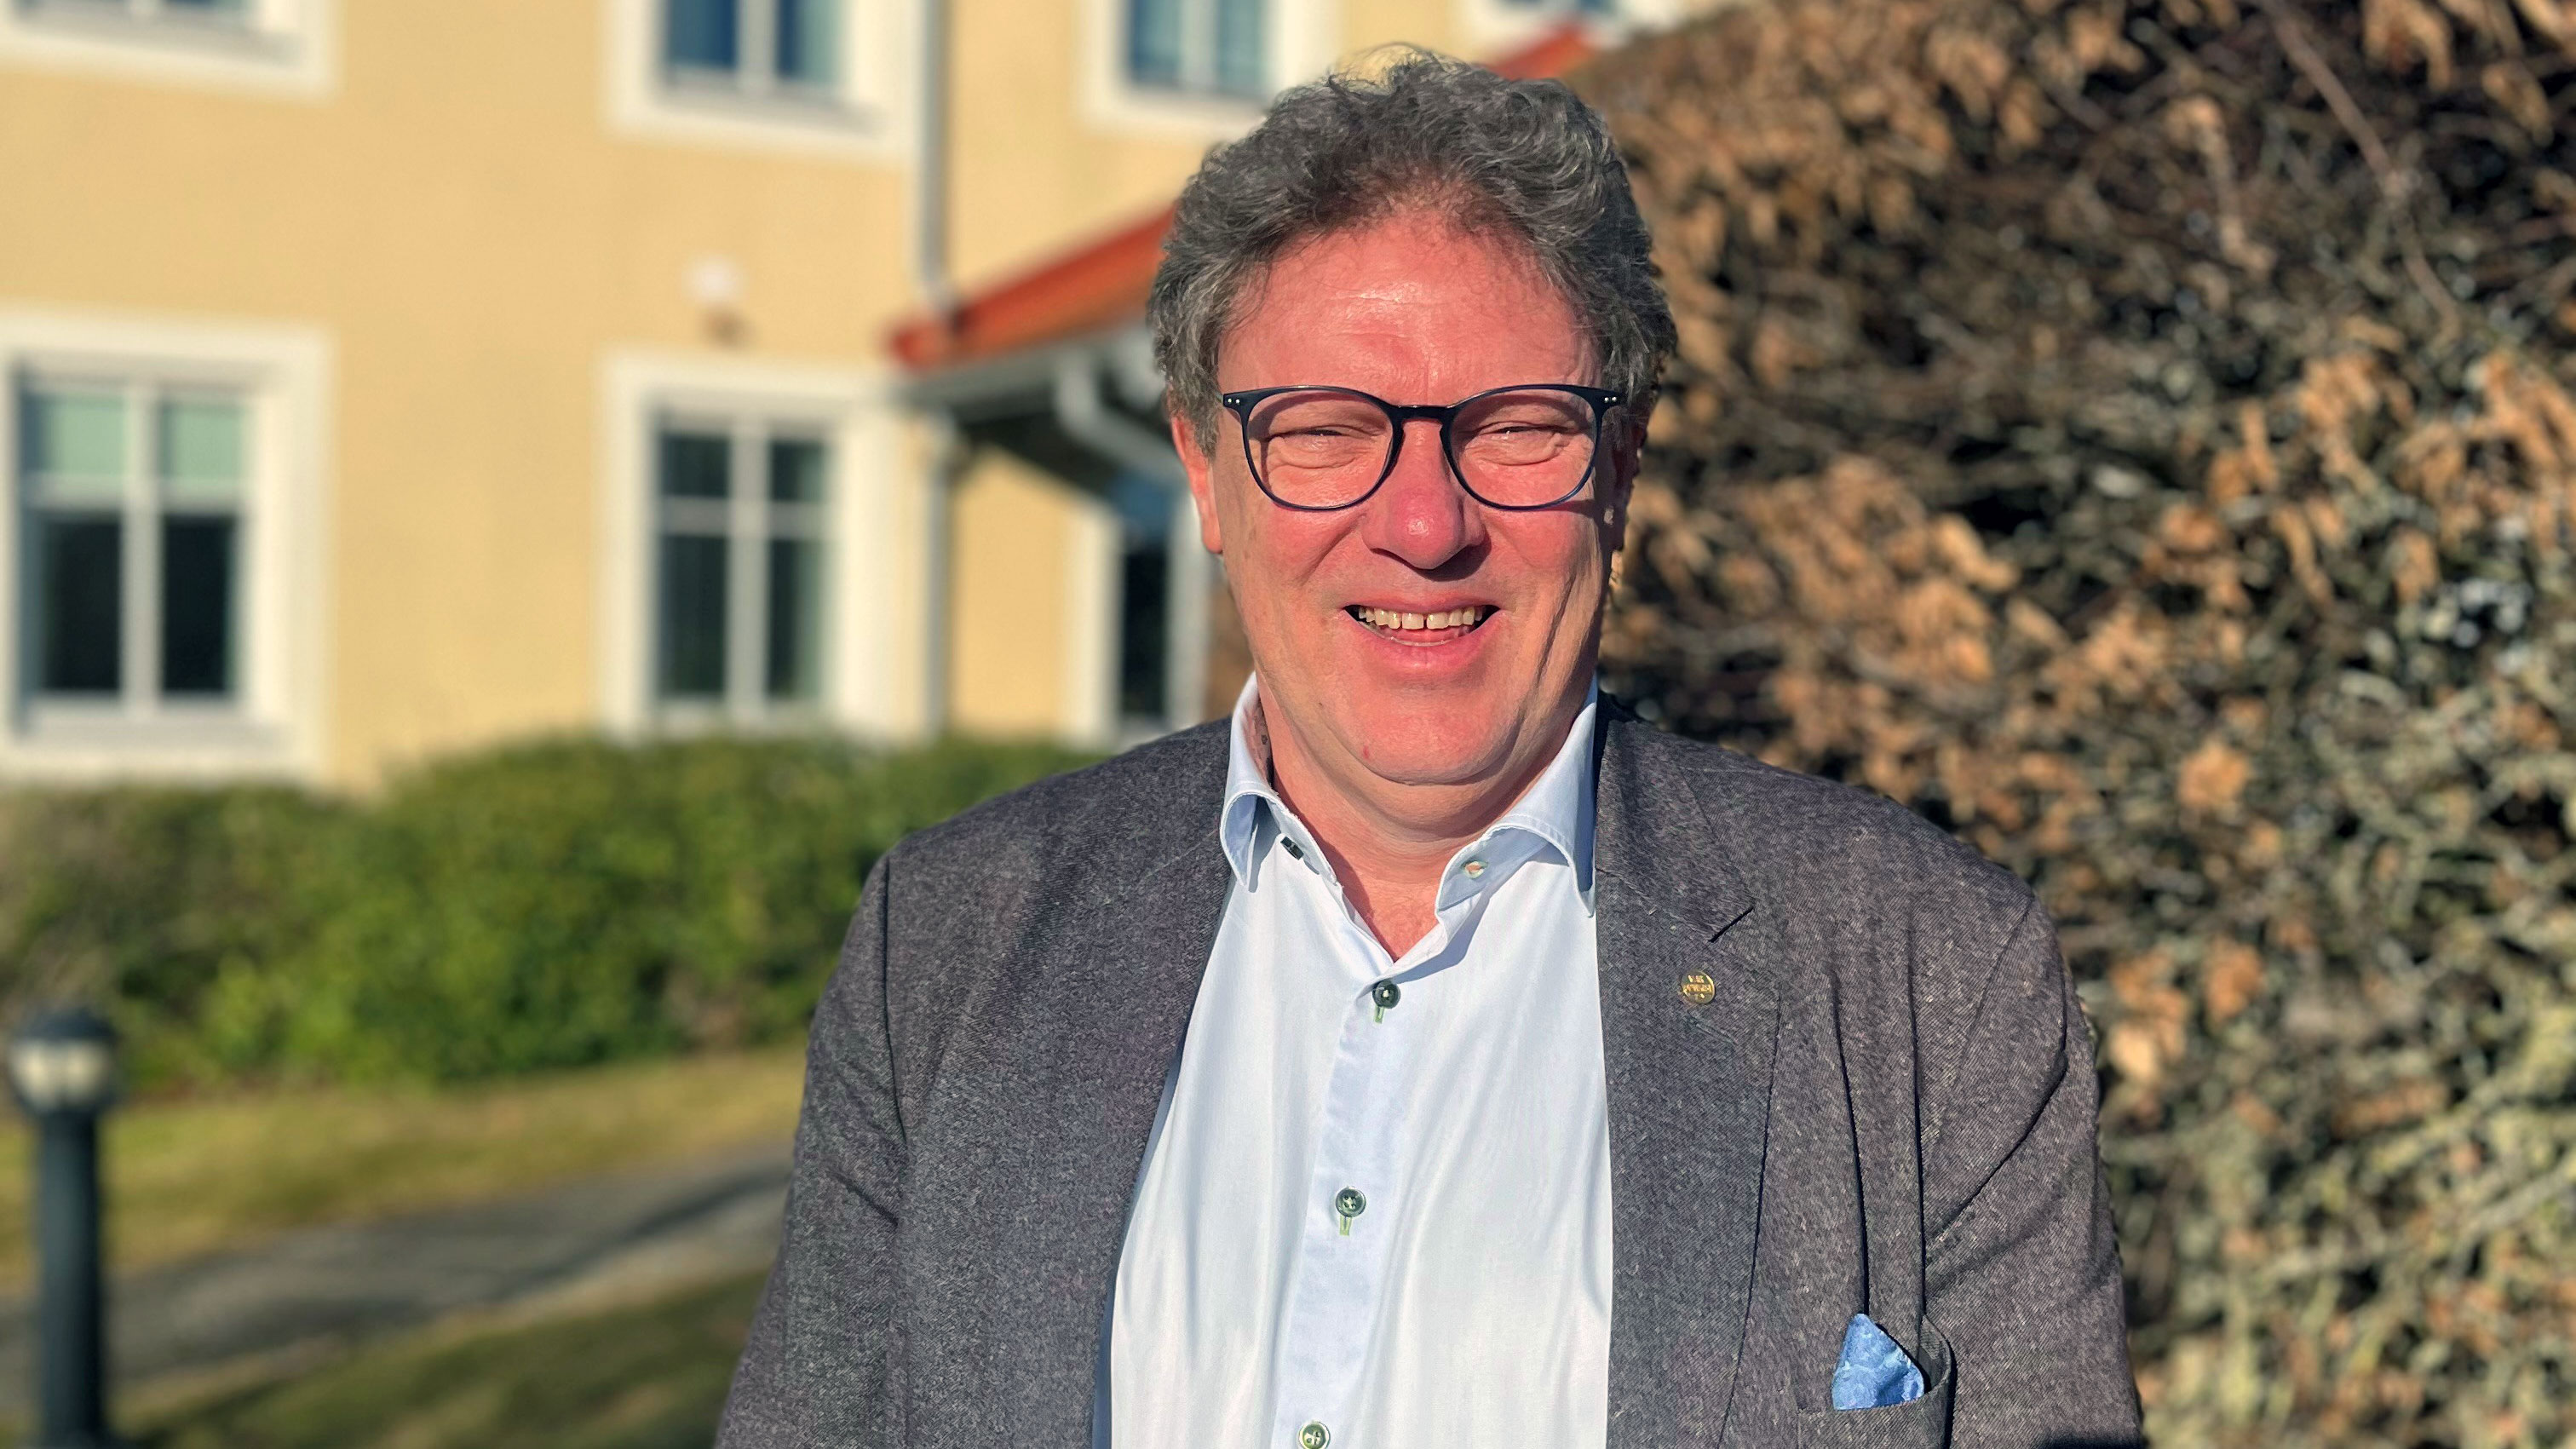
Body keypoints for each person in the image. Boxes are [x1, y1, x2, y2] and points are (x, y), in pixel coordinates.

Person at [717, 53, 2139, 1449]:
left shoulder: (1928, 976)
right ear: (1204, 471)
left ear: (1621, 467)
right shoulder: (950, 945)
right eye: (1327, 431)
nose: (1424, 524)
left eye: (1516, 429)